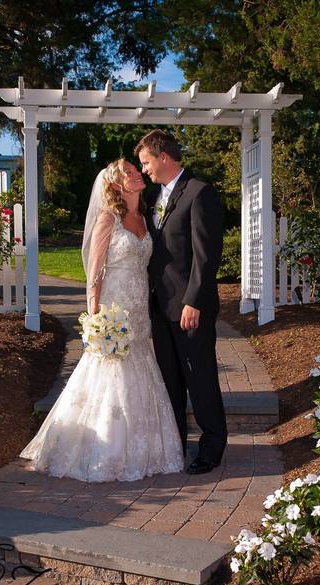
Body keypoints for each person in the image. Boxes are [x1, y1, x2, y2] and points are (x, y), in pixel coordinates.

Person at [19, 159, 184, 482]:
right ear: (115, 185)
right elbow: (93, 274)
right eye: (129, 173)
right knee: (107, 371)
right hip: (113, 305)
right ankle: (101, 452)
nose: (138, 174)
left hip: (139, 306)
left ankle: (146, 452)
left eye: (138, 170)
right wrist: (94, 319)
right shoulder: (108, 218)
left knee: (140, 367)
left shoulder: (146, 216)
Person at [136, 130, 227, 475]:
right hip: (160, 307)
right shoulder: (156, 198)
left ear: (163, 157)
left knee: (199, 377)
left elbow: (207, 257)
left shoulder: (199, 193)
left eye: (146, 162)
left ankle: (212, 448)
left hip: (190, 308)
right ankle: (176, 443)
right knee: (170, 381)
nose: (144, 170)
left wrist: (194, 302)